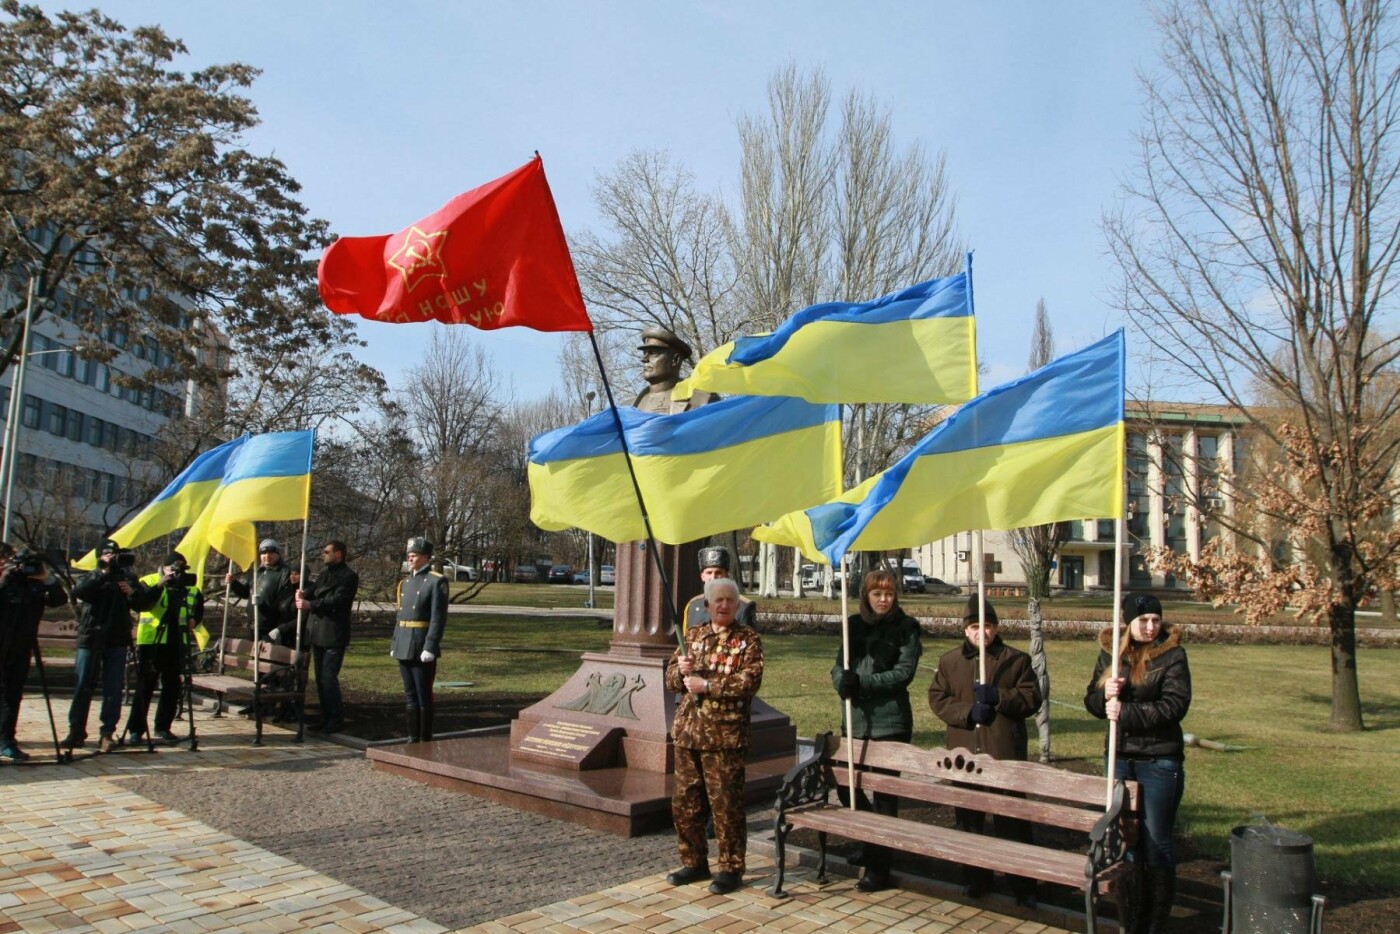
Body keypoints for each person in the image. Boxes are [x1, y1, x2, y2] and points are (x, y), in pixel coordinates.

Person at [1084, 593, 1191, 934]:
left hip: (1158, 760)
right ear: (1128, 622)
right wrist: (1105, 695)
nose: (1149, 627)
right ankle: (1132, 919)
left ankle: (1155, 924)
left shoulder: (1173, 655)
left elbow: (1174, 705)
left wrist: (1126, 711)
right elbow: (1091, 700)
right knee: (1126, 842)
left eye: (1155, 620)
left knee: (1156, 841)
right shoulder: (1111, 654)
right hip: (1119, 758)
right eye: (1142, 621)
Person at [928, 595, 1042, 906]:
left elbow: (1031, 698)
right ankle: (976, 878)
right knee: (969, 819)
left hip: (1004, 752)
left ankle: (1023, 885)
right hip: (965, 753)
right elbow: (938, 699)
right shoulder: (950, 662)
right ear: (966, 630)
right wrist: (967, 712)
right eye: (976, 626)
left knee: (1012, 820)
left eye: (988, 626)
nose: (983, 633)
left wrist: (999, 697)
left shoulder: (1015, 660)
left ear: (996, 628)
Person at [664, 576, 764, 896]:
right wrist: (680, 670)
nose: (723, 605)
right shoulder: (692, 635)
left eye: (730, 601)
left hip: (725, 736)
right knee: (685, 803)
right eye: (717, 600)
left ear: (737, 605)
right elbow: (670, 680)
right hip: (688, 733)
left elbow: (749, 681)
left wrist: (708, 686)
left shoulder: (748, 639)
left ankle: (731, 868)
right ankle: (694, 862)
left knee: (726, 805)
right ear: (706, 605)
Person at [830, 568, 922, 892]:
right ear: (866, 596)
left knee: (884, 797)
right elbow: (838, 665)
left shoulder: (906, 629)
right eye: (877, 594)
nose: (883, 599)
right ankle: (873, 844)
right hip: (855, 721)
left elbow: (903, 673)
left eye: (889, 594)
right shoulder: (852, 625)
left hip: (890, 723)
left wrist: (864, 683)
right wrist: (843, 683)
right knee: (846, 785)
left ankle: (879, 868)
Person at [64, 539, 137, 754]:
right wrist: (102, 572)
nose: (112, 558)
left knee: (113, 688)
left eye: (115, 554)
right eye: (107, 554)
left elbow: (143, 602)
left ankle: (107, 733)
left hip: (117, 637)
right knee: (82, 685)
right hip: (91, 636)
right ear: (99, 557)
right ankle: (75, 732)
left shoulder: (128, 578)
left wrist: (131, 592)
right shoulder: (91, 575)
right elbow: (80, 592)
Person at [126, 551, 205, 746]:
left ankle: (163, 726)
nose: (175, 574)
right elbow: (140, 604)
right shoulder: (149, 580)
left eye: (179, 570)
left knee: (172, 687)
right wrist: (160, 584)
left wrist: (194, 619)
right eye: (172, 569)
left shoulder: (189, 587)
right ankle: (136, 729)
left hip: (177, 641)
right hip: (152, 641)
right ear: (164, 567)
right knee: (145, 686)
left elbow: (198, 608)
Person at [0, 544, 67, 761]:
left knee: (13, 695)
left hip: (21, 646)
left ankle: (6, 740)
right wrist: (3, 578)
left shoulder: (33, 584)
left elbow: (60, 600)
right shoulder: (5, 582)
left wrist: (46, 578)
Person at [294, 539, 359, 734]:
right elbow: (314, 591)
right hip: (318, 633)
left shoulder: (348, 576)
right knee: (320, 679)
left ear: (338, 554)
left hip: (333, 633)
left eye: (326, 551)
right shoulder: (323, 574)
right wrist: (304, 592)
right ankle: (325, 716)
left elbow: (338, 600)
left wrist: (311, 605)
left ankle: (335, 719)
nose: (323, 554)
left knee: (329, 678)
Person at [392, 537, 448, 743]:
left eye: (414, 555)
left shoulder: (436, 581)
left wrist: (430, 646)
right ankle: (412, 736)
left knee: (423, 694)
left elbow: (438, 617)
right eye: (409, 555)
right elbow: (400, 617)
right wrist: (395, 643)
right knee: (409, 694)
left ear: (425, 557)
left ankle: (425, 737)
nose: (410, 558)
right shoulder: (405, 583)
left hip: (421, 644)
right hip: (404, 643)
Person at [224, 539, 298, 646]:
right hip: (253, 624)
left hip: (271, 626)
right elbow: (245, 593)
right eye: (263, 553)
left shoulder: (284, 572)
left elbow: (285, 601)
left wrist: (262, 604)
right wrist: (233, 583)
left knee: (267, 658)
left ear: (277, 554)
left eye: (271, 553)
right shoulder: (256, 572)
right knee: (254, 658)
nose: (267, 556)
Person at [632, 326, 715, 414]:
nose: (644, 359)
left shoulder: (702, 400)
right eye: (645, 353)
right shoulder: (625, 408)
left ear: (675, 359)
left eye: (654, 353)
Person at [683, 546, 757, 635]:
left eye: (718, 572)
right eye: (709, 573)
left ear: (727, 575)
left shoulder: (744, 606)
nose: (713, 577)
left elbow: (749, 641)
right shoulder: (693, 605)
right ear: (702, 576)